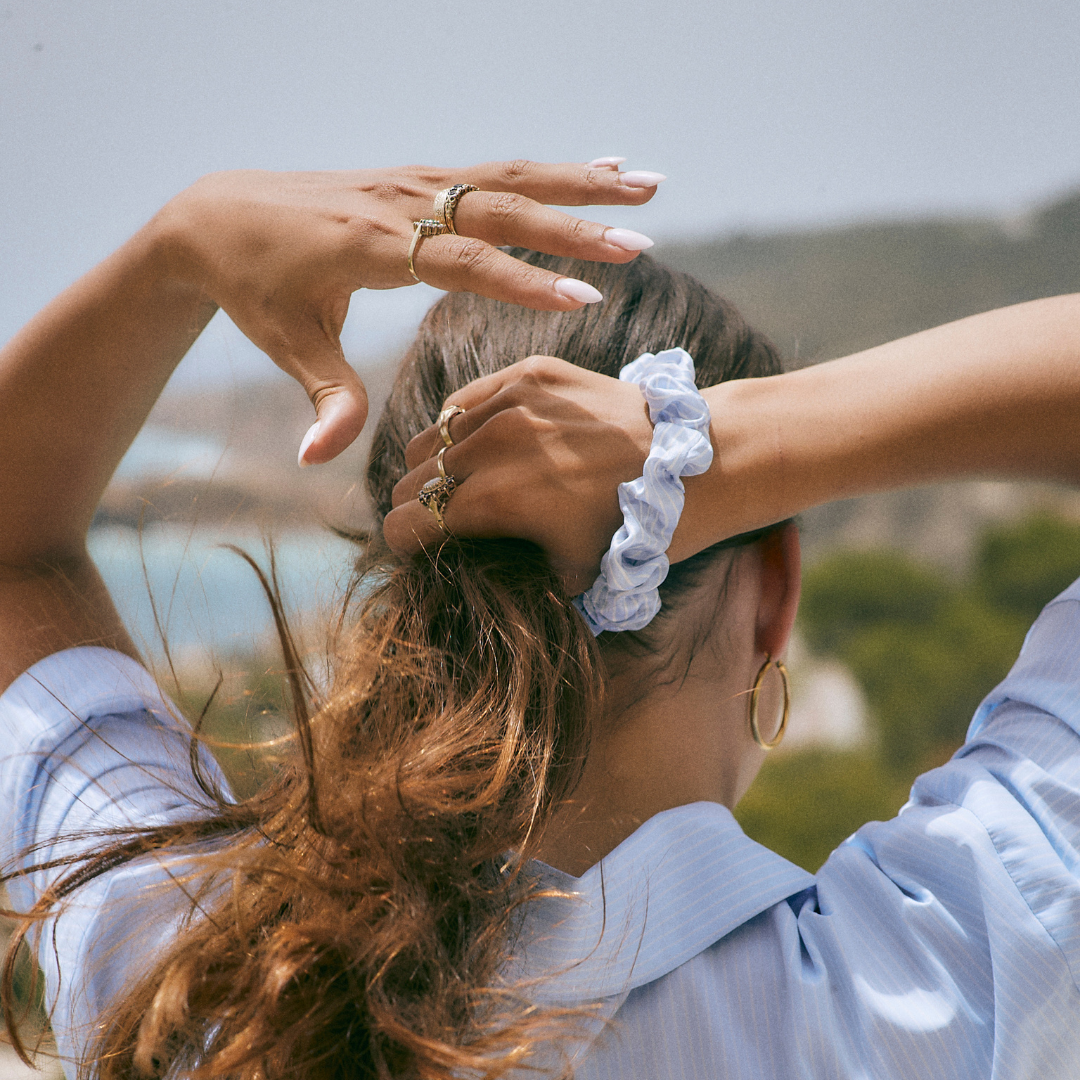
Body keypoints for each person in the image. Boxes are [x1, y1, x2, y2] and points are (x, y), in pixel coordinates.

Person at [3, 161, 1080, 1080]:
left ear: (409, 583)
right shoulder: (913, 992)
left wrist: (179, 244)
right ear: (778, 594)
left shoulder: (190, 967)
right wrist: (717, 452)